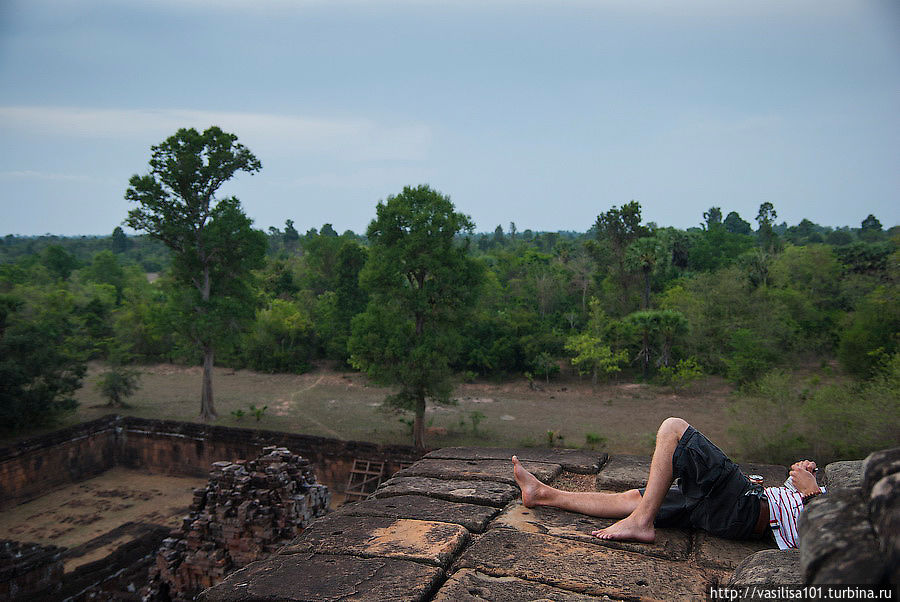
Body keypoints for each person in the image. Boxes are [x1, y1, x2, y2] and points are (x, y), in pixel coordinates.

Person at [511, 417, 825, 548]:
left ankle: (642, 523)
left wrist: (811, 491)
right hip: (738, 507)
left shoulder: (862, 518)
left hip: (747, 508)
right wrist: (798, 479)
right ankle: (542, 494)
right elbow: (794, 509)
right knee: (637, 498)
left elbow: (829, 536)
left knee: (674, 428)